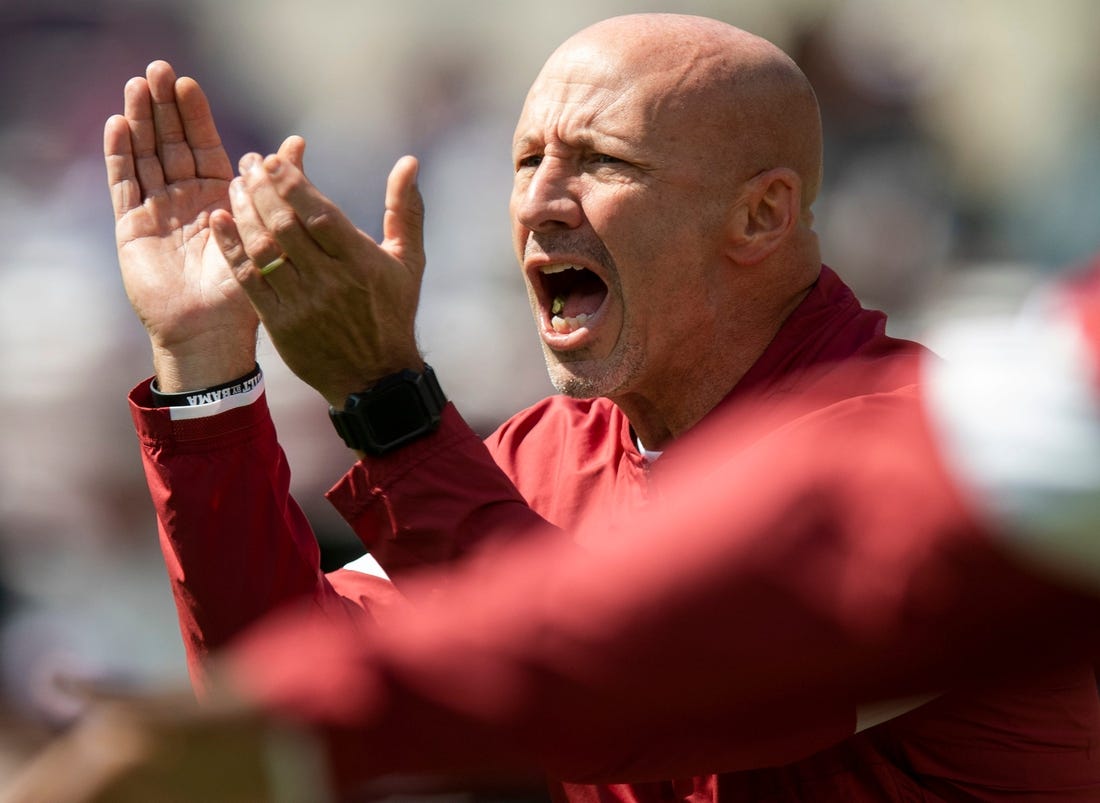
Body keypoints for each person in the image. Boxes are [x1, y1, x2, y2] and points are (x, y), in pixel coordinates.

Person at [68, 11, 1100, 802]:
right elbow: (284, 683)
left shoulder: (906, 451)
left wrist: (387, 402)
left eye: (601, 160)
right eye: (526, 160)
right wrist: (202, 363)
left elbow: (638, 704)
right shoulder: (538, 453)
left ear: (761, 214)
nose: (538, 199)